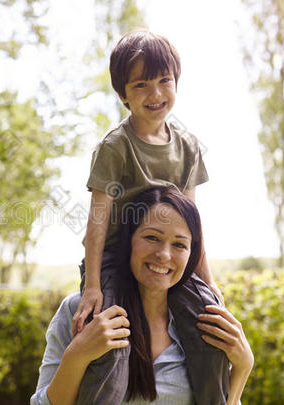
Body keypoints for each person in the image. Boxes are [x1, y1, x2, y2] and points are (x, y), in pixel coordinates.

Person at [72, 29, 226, 404]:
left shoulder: (188, 146)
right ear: (123, 94)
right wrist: (92, 286)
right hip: (114, 259)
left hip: (168, 257)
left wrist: (208, 284)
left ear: (176, 83)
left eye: (164, 81)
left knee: (213, 333)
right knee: (112, 346)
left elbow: (193, 227)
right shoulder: (115, 147)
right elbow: (96, 226)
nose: (155, 94)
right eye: (141, 84)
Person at [31, 186, 254, 404]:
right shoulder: (82, 312)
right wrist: (77, 356)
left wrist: (243, 367)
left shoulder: (203, 325)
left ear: (191, 255)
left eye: (179, 244)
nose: (164, 255)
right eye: (152, 238)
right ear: (129, 241)